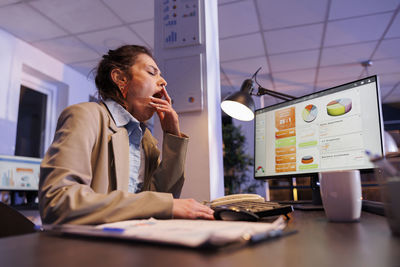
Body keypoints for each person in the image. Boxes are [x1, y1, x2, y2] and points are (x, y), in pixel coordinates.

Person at [39, 45, 214, 225]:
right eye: (152, 72)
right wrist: (163, 204)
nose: (163, 82)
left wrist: (172, 135)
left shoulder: (146, 141)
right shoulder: (85, 115)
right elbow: (57, 201)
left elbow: (164, 199)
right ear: (120, 78)